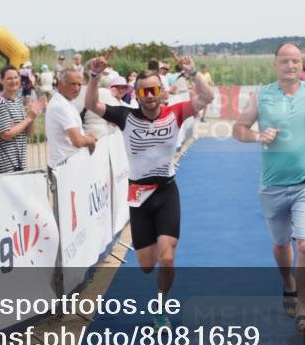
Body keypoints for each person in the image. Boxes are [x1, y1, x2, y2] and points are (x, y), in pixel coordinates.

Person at [85, 51, 214, 329]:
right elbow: (92, 103)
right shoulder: (125, 116)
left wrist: (193, 74)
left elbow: (207, 98)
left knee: (167, 258)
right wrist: (94, 76)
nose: (150, 95)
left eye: (155, 89)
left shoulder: (175, 113)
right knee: (146, 265)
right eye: (144, 91)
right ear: (137, 94)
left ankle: (161, 307)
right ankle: (154, 266)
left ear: (162, 91)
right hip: (139, 196)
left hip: (167, 192)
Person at [232, 43, 305, 337]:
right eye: (285, 62)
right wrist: (257, 135)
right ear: (275, 65)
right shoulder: (263, 95)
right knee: (282, 245)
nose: (290, 66)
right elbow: (239, 128)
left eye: (295, 61)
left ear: (301, 64)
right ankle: (288, 284)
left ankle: (304, 310)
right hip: (273, 184)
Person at [0, 65, 47, 175]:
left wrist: (32, 116)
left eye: (16, 77)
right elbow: (6, 134)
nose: (13, 81)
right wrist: (27, 118)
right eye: (9, 78)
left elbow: (28, 133)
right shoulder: (0, 102)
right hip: (4, 164)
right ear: (1, 80)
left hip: (18, 163)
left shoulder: (18, 102)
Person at [45, 68, 98, 167]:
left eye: (79, 84)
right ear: (61, 85)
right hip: (64, 167)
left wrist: (86, 138)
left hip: (67, 164)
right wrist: (91, 140)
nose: (77, 88)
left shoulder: (64, 102)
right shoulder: (61, 105)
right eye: (73, 84)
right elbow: (77, 141)